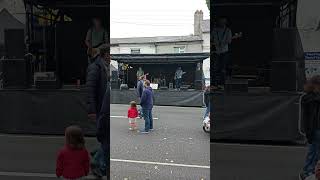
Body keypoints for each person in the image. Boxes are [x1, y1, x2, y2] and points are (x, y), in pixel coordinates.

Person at [86, 44, 110, 178]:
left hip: (104, 108)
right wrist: (92, 110)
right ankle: (97, 161)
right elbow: (90, 90)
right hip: (100, 109)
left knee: (106, 139)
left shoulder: (105, 67)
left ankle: (98, 156)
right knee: (106, 139)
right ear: (106, 54)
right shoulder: (95, 67)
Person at [300, 75, 320, 180]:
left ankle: (312, 171)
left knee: (316, 152)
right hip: (314, 129)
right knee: (314, 151)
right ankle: (308, 172)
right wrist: (309, 132)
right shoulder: (309, 98)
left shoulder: (314, 98)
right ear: (316, 85)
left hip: (316, 128)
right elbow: (309, 118)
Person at [212, 17, 232, 90]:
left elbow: (229, 41)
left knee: (222, 69)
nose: (222, 23)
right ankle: (215, 84)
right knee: (215, 68)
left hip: (224, 52)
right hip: (217, 52)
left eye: (223, 22)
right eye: (221, 22)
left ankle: (222, 85)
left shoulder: (228, 30)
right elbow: (211, 39)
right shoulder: (215, 30)